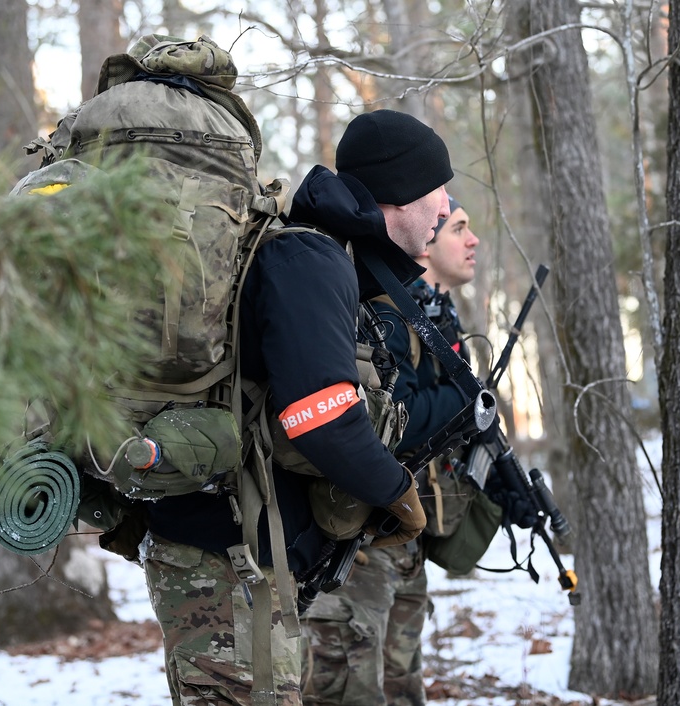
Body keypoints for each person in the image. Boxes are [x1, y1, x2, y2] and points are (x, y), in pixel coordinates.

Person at [141, 109, 454, 706]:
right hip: (227, 565)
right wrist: (395, 491)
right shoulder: (312, 259)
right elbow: (319, 417)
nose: (445, 206)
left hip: (245, 564)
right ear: (399, 192)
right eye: (437, 189)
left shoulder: (327, 256)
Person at [301, 196, 483, 706]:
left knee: (401, 686)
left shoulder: (434, 314)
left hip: (403, 535)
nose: (472, 241)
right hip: (359, 538)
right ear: (425, 242)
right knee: (348, 690)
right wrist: (469, 394)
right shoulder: (384, 311)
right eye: (458, 228)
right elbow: (390, 422)